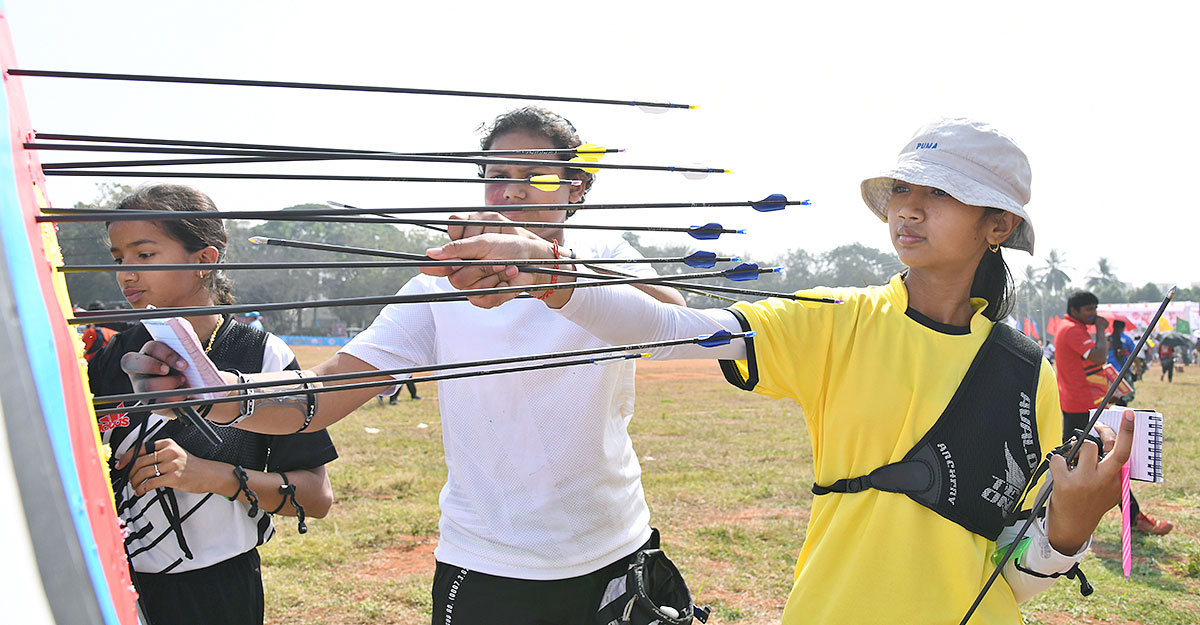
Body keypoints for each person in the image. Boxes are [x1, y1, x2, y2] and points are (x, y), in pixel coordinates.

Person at [419, 119, 1136, 623]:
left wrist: (1069, 530)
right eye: (902, 191)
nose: (909, 208)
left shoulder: (1024, 372)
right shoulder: (835, 319)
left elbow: (1019, 571)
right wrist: (555, 273)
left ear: (997, 225)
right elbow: (678, 331)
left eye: (940, 194)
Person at [122, 108, 689, 625]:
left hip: (616, 546)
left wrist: (550, 268)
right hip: (492, 561)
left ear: (575, 187)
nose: (511, 192)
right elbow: (322, 393)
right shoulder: (436, 288)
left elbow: (677, 329)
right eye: (496, 176)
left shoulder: (605, 258)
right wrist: (219, 392)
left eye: (535, 176)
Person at [89, 184, 338, 625]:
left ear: (204, 260)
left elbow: (316, 497)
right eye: (118, 258)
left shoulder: (261, 357)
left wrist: (210, 476)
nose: (126, 274)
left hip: (218, 591)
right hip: (114, 583)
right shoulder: (109, 357)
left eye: (144, 255)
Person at [1055, 295, 1171, 536]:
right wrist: (1099, 329)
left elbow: (1090, 368)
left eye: (1096, 308)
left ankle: (1058, 518)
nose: (1093, 312)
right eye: (1088, 308)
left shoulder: (1074, 328)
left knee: (1073, 464)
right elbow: (1098, 357)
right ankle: (1134, 517)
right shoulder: (1073, 330)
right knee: (1112, 463)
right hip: (1082, 406)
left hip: (1087, 403)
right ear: (1074, 310)